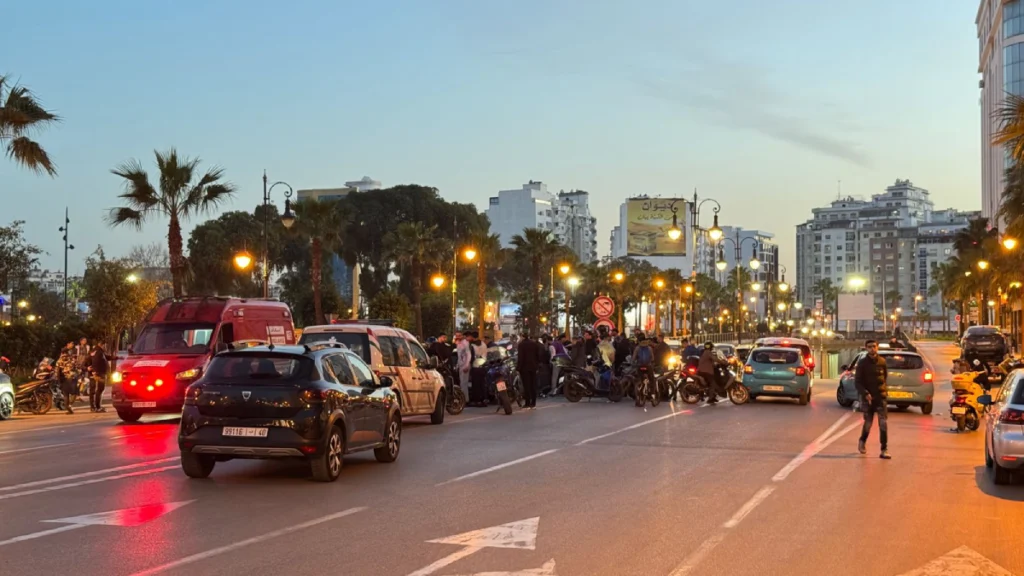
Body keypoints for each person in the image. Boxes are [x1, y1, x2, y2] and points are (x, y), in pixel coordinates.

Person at [855, 339, 891, 459]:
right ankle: (862, 441)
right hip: (868, 399)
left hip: (881, 397)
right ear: (866, 348)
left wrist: (883, 391)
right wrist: (865, 393)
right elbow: (858, 382)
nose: (872, 349)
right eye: (869, 347)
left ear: (877, 347)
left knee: (883, 424)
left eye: (874, 346)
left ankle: (884, 449)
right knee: (868, 423)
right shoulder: (862, 363)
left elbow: (885, 377)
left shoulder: (882, 361)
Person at [516, 334, 542, 409]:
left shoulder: (521, 345)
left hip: (524, 368)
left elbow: (521, 357)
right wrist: (537, 366)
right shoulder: (534, 344)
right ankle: (533, 403)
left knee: (526, 385)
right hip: (533, 367)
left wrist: (518, 368)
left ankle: (527, 403)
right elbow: (538, 356)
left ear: (522, 337)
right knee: (533, 385)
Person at [56, 342, 77, 414]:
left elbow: (58, 371)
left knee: (66, 394)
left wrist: (59, 380)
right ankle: (70, 405)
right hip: (72, 377)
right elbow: (75, 367)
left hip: (64, 378)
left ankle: (68, 407)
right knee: (74, 392)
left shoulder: (59, 360)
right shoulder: (71, 359)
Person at [89, 342, 109, 413]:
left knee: (97, 390)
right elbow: (96, 362)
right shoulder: (98, 352)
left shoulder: (96, 351)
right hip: (99, 373)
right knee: (99, 390)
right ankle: (97, 407)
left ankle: (95, 406)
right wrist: (96, 372)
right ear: (101, 344)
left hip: (98, 373)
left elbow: (106, 357)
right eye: (104, 345)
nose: (105, 347)